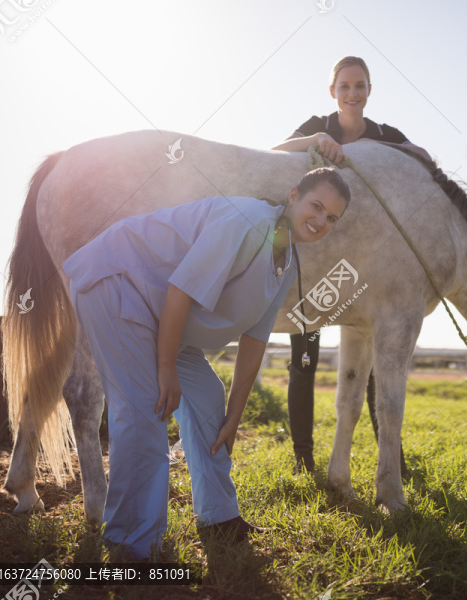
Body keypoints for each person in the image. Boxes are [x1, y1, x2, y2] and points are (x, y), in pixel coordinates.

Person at [62, 167, 351, 559]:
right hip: (120, 284)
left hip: (163, 316)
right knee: (150, 406)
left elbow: (255, 342)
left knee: (208, 395)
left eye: (332, 217)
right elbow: (180, 291)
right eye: (316, 206)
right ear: (293, 195)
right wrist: (165, 369)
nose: (320, 221)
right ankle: (130, 542)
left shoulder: (287, 263)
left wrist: (234, 417)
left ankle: (219, 519)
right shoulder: (248, 224)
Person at [272, 56, 425, 474]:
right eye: (344, 87)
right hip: (318, 264)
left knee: (375, 362)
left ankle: (392, 459)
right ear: (333, 92)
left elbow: (419, 159)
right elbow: (273, 151)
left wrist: (405, 150)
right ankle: (304, 458)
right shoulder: (318, 124)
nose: (352, 94)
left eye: (360, 86)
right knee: (304, 361)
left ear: (369, 90)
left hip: (363, 271)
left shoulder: (382, 135)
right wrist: (316, 140)